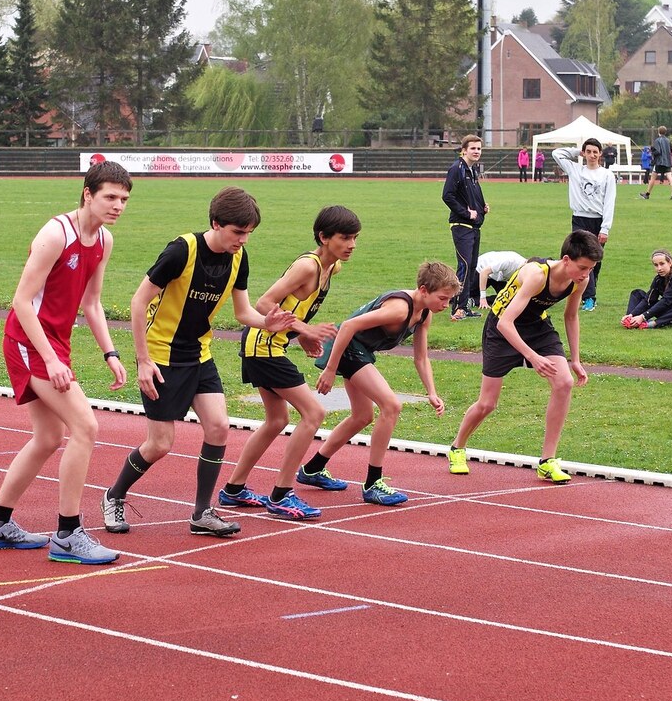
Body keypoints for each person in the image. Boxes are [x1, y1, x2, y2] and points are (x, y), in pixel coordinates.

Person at [101, 187, 296, 538]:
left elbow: (241, 312)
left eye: (249, 233)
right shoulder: (182, 251)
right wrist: (143, 360)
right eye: (238, 232)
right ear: (216, 223)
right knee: (160, 444)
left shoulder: (239, 257)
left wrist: (266, 322)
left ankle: (202, 512)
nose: (243, 239)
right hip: (162, 356)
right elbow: (137, 301)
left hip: (200, 354)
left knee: (219, 427)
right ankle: (114, 495)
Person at [0, 161, 132, 566]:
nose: (118, 205)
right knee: (86, 427)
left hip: (53, 343)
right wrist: (49, 358)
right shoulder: (55, 233)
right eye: (110, 197)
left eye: (124, 199)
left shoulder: (104, 240)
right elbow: (21, 301)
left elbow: (92, 304)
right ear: (87, 194)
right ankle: (68, 534)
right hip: (28, 342)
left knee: (48, 439)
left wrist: (110, 353)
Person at [218, 205, 360, 521]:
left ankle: (234, 489)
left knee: (276, 420)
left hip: (270, 345)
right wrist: (305, 329)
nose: (351, 245)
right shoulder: (308, 267)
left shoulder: (331, 267)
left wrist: (302, 334)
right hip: (263, 345)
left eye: (355, 238)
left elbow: (293, 306)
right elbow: (264, 302)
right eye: (344, 238)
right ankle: (282, 494)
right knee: (314, 412)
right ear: (324, 237)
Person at [447, 230, 603, 484]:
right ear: (566, 259)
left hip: (538, 327)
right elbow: (505, 323)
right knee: (488, 403)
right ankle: (457, 447)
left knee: (564, 382)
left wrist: (575, 359)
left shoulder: (579, 281)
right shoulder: (536, 274)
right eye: (583, 267)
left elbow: (571, 317)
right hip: (502, 328)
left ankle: (547, 461)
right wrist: (533, 357)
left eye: (591, 269)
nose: (586, 275)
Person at [305, 262, 460, 506]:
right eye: (442, 298)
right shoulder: (399, 309)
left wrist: (431, 392)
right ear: (423, 290)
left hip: (361, 351)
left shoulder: (424, 314)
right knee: (391, 405)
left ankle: (312, 469)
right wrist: (331, 369)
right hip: (347, 349)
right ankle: (372, 483)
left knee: (362, 416)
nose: (445, 305)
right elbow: (347, 325)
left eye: (449, 300)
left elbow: (420, 357)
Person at [551, 138, 616, 312]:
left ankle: (589, 293)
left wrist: (605, 228)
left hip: (598, 220)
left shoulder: (607, 175)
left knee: (596, 259)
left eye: (595, 152)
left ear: (600, 154)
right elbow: (556, 154)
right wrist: (575, 152)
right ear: (584, 153)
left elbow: (610, 202)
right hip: (579, 218)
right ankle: (588, 297)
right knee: (583, 256)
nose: (592, 155)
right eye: (588, 151)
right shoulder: (575, 169)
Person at [442, 134, 488, 321]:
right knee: (465, 265)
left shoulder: (471, 170)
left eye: (479, 148)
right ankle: (458, 309)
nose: (476, 152)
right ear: (464, 150)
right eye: (473, 148)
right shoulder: (457, 169)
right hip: (461, 225)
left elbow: (472, 194)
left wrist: (482, 207)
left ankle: (465, 305)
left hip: (474, 227)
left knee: (473, 266)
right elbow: (447, 195)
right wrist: (467, 213)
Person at [622, 250, 672, 329]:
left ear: (670, 263)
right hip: (668, 310)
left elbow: (666, 301)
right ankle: (631, 321)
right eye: (656, 265)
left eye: (662, 264)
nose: (659, 268)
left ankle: (651, 324)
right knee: (637, 293)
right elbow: (649, 300)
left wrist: (643, 316)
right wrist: (632, 314)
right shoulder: (658, 279)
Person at [641, 127, 672, 200]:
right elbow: (670, 150)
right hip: (667, 162)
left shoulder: (657, 140)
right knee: (670, 178)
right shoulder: (668, 140)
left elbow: (658, 151)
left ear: (658, 132)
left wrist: (652, 151)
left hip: (659, 162)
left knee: (653, 178)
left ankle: (647, 194)